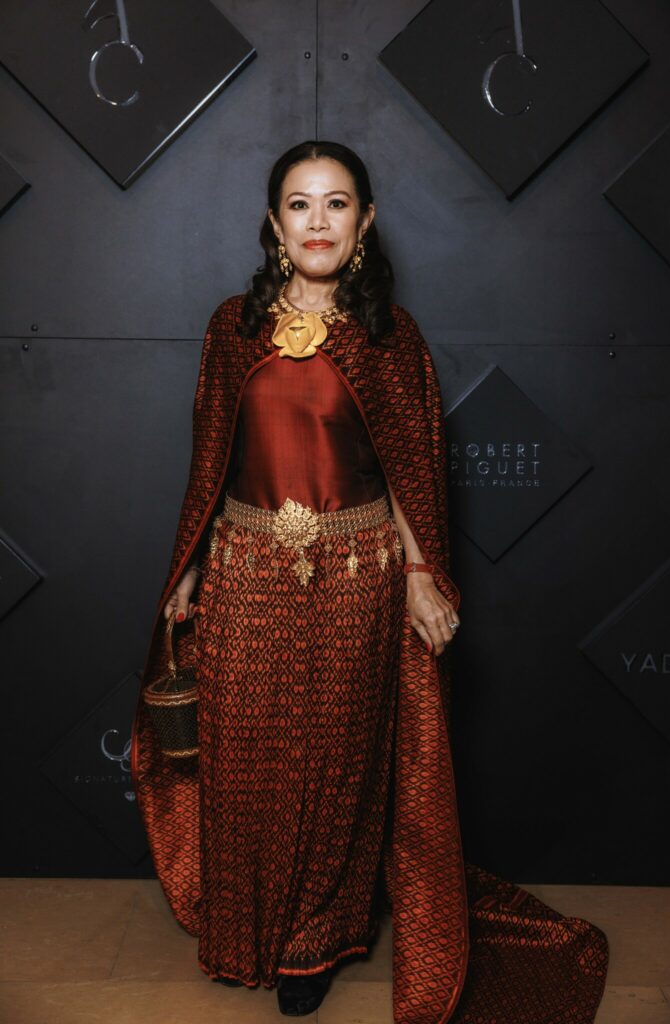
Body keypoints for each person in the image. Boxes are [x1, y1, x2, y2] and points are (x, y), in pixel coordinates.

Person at [131, 140, 609, 1023]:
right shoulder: (231, 327)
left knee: (338, 768)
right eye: (300, 204)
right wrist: (188, 567)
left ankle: (314, 942)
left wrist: (421, 574)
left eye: (337, 203)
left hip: (357, 582)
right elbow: (208, 460)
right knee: (243, 762)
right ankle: (244, 929)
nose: (318, 222)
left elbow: (408, 474)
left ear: (366, 221)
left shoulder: (390, 337)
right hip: (244, 576)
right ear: (273, 223)